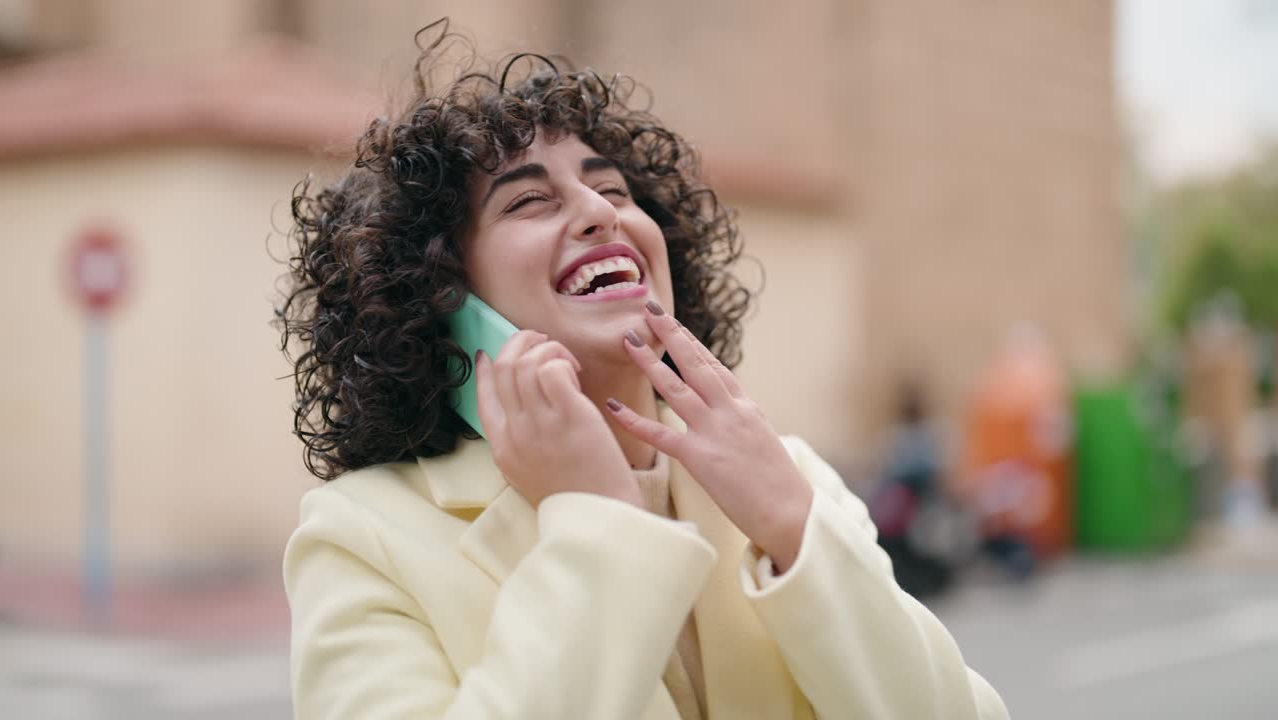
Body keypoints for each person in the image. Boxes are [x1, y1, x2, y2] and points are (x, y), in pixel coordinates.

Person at [277, 19, 1008, 720]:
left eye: (615, 191)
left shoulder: (791, 476)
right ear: (440, 297)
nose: (601, 212)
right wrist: (597, 519)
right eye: (529, 200)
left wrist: (795, 529)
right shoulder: (360, 537)